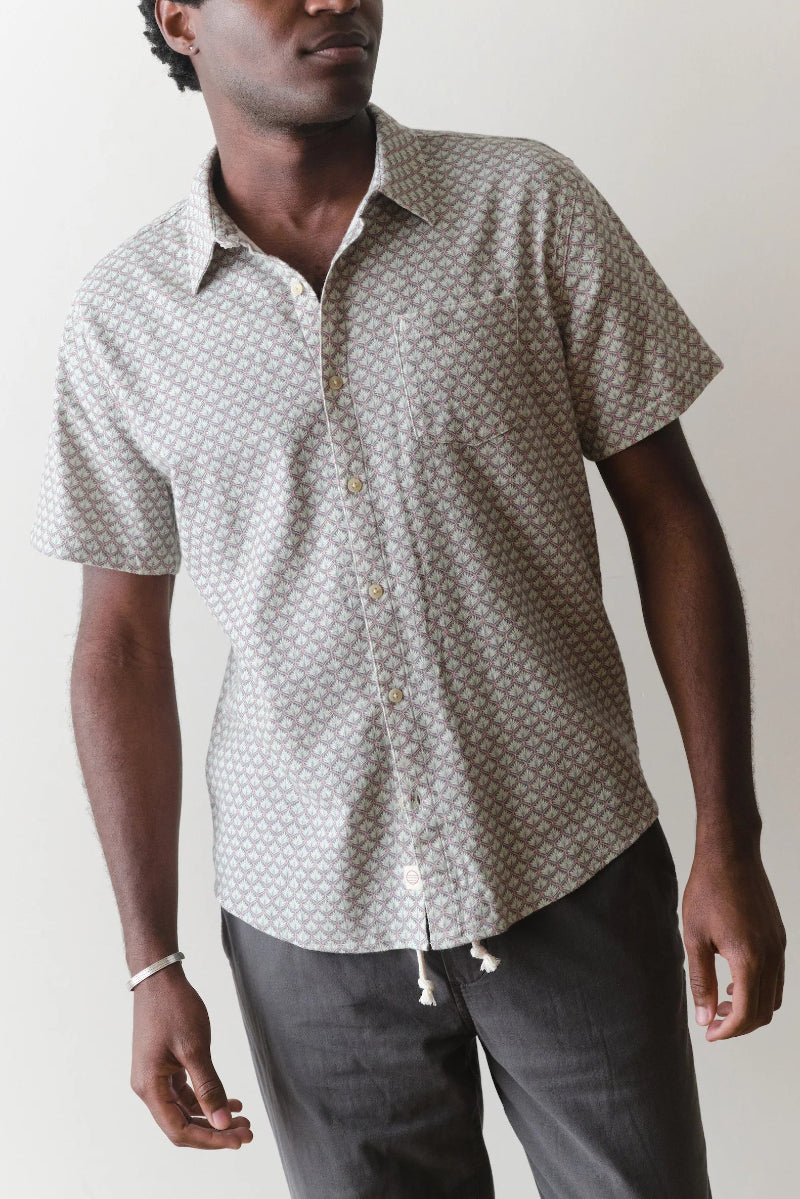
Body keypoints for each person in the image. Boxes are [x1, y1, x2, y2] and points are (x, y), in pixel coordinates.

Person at [30, 2, 786, 1196]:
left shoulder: (525, 206)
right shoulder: (126, 319)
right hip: (305, 923)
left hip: (571, 863)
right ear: (177, 18)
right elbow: (118, 643)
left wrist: (725, 836)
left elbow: (670, 516)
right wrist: (149, 961)